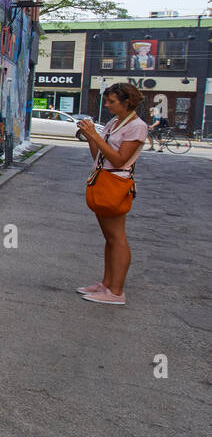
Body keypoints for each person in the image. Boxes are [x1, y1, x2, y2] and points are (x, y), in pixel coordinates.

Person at [75, 83, 148, 305]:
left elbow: (119, 160)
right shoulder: (114, 123)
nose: (107, 105)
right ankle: (107, 284)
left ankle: (116, 292)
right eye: (106, 101)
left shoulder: (137, 126)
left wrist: (95, 136)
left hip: (116, 182)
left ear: (127, 102)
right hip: (103, 178)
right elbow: (99, 156)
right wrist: (90, 137)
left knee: (117, 238)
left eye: (111, 102)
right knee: (110, 238)